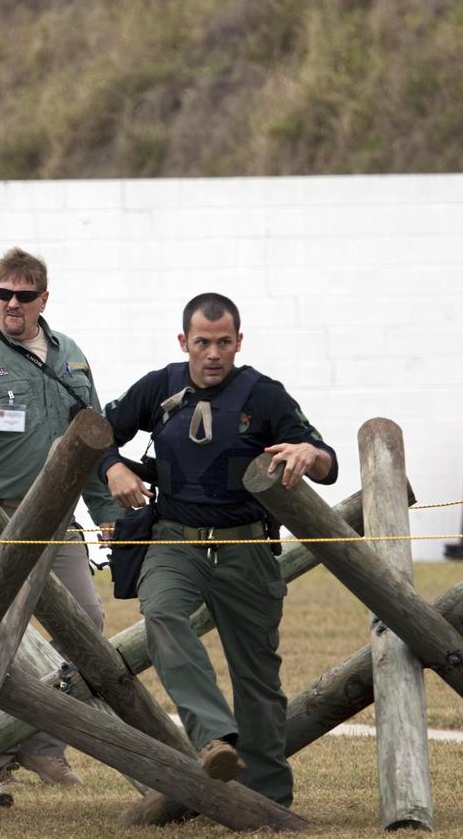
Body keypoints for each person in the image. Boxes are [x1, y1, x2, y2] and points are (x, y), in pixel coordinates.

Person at [100, 292, 336, 816]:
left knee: (257, 679)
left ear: (238, 342)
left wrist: (307, 453)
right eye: (202, 342)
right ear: (183, 341)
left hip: (246, 549)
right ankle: (213, 739)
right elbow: (95, 433)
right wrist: (111, 466)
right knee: (161, 613)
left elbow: (326, 459)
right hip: (173, 542)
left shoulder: (263, 394)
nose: (213, 353)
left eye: (223, 342)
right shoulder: (159, 386)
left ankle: (267, 806)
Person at [0, 247, 123, 787]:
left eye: (23, 295)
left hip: (56, 520)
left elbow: (93, 438)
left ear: (43, 299)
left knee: (85, 624)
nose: (12, 303)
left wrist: (107, 512)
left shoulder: (71, 356)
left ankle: (43, 746)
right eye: (3, 293)